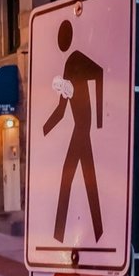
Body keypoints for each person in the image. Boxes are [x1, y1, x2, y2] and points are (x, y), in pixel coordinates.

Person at [40, 19, 105, 243]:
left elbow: (99, 72)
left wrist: (99, 120)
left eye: (62, 39)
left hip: (82, 129)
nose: (60, 43)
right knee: (88, 182)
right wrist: (42, 131)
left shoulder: (76, 59)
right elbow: (61, 109)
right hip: (80, 129)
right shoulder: (68, 65)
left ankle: (60, 235)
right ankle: (98, 232)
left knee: (70, 180)